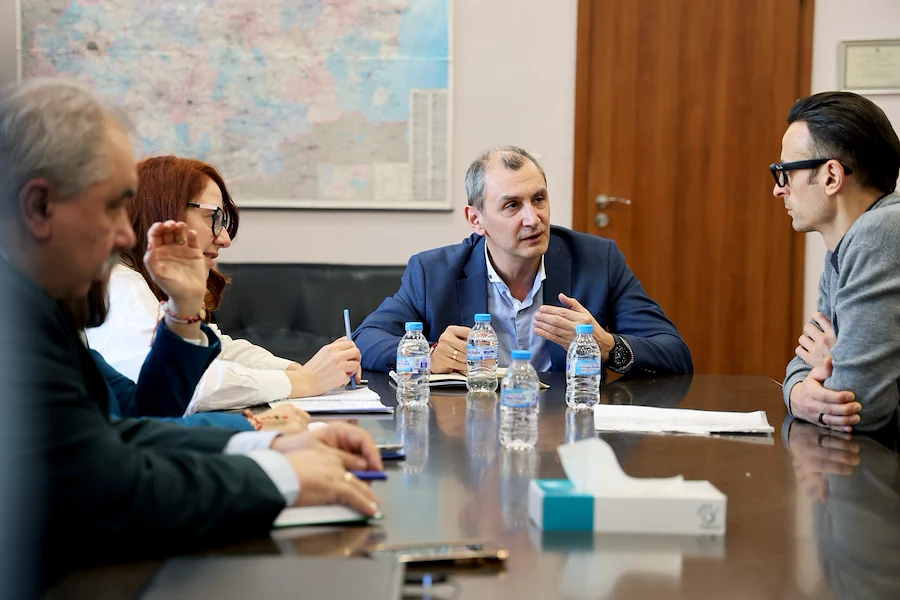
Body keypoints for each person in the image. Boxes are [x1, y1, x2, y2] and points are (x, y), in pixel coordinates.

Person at [0, 78, 382, 589]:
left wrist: (264, 443)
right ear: (39, 208)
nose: (126, 232)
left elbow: (132, 420)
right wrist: (279, 475)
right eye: (113, 206)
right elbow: (103, 487)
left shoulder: (37, 306)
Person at [354, 145, 692, 376]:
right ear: (476, 219)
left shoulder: (597, 261)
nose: (533, 218)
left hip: (562, 431)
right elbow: (366, 339)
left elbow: (674, 352)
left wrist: (609, 346)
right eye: (512, 205)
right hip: (468, 431)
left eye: (539, 199)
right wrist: (427, 357)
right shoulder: (433, 272)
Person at [86, 155, 363, 412]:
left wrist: (301, 371)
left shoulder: (142, 282)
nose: (225, 239)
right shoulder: (122, 289)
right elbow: (194, 387)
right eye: (212, 218)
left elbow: (219, 350)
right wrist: (305, 382)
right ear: (164, 213)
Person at [60, 225, 308, 433]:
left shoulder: (65, 335)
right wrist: (295, 386)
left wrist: (184, 309)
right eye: (212, 216)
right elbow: (124, 441)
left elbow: (147, 415)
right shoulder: (121, 284)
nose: (126, 233)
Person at [777, 91, 900, 432]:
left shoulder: (879, 233)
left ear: (831, 176)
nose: (779, 189)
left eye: (785, 172)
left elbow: (861, 406)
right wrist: (797, 394)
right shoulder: (843, 246)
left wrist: (829, 361)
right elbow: (802, 361)